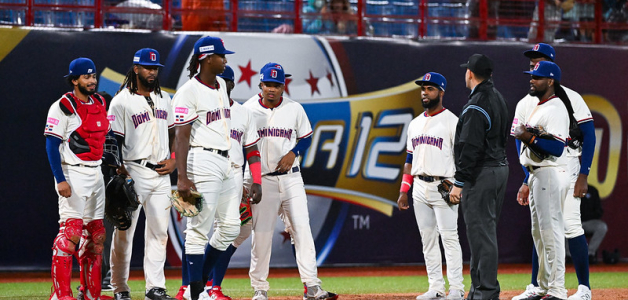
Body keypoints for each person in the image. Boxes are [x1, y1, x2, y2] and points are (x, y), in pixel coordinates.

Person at [242, 63, 338, 300]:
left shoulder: (294, 108)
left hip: (292, 178)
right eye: (268, 85)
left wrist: (293, 152)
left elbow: (306, 137)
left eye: (277, 85)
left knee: (302, 230)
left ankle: (312, 286)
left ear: (283, 86)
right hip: (262, 180)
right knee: (262, 235)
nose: (272, 89)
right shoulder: (247, 110)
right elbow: (241, 146)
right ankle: (260, 289)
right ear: (260, 85)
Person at [512, 43, 596, 300]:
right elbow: (519, 140)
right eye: (530, 60)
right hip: (538, 170)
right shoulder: (526, 102)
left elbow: (589, 136)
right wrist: (527, 177)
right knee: (541, 227)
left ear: (550, 66)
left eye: (538, 60)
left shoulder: (569, 98)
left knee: (568, 225)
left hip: (567, 164)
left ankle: (583, 288)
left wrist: (584, 174)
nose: (532, 63)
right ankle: (539, 286)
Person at [172, 36, 251, 300]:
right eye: (221, 56)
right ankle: (194, 292)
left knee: (230, 227)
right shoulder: (187, 91)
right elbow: (180, 137)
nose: (225, 60)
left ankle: (198, 286)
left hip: (227, 161)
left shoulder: (218, 85)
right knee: (197, 228)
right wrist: (182, 178)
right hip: (200, 161)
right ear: (206, 58)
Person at [107, 48, 177, 300]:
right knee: (125, 233)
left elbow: (174, 134)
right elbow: (113, 141)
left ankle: (155, 288)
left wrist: (174, 159)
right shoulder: (121, 101)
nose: (152, 72)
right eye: (148, 67)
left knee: (160, 232)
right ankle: (120, 287)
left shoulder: (164, 99)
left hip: (161, 173)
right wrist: (119, 171)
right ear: (136, 69)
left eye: (155, 68)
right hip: (133, 170)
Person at [45, 57, 113, 300]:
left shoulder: (101, 102)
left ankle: (90, 293)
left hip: (96, 172)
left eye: (93, 76)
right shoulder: (62, 106)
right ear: (74, 80)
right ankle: (60, 295)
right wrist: (60, 179)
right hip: (72, 172)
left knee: (97, 237)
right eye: (86, 76)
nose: (92, 80)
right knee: (70, 235)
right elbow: (51, 145)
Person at [397, 72, 465, 300]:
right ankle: (436, 287)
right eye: (423, 89)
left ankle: (456, 288)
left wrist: (459, 185)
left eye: (430, 88)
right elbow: (409, 161)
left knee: (449, 238)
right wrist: (403, 191)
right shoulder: (415, 124)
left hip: (444, 186)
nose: (425, 92)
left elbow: (463, 158)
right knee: (427, 240)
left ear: (441, 92)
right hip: (419, 187)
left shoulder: (452, 122)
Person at [449, 53, 509, 300]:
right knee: (482, 233)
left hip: (481, 172)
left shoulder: (476, 104)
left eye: (466, 70)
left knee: (481, 234)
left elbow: (470, 147)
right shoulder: (498, 97)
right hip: (498, 168)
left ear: (470, 74)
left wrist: (458, 182)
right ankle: (478, 290)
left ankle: (486, 292)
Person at [512, 60, 570, 300]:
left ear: (550, 81)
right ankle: (545, 286)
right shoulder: (539, 105)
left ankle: (557, 289)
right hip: (535, 174)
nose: (531, 80)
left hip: (548, 171)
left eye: (536, 77)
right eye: (531, 76)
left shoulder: (556, 108)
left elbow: (557, 148)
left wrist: (528, 137)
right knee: (539, 232)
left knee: (551, 230)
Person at [579, 185, 607, 264]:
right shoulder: (569, 189)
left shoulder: (592, 190)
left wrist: (588, 216)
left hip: (588, 222)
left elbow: (599, 210)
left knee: (602, 227)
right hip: (573, 222)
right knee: (563, 226)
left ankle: (589, 254)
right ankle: (568, 255)